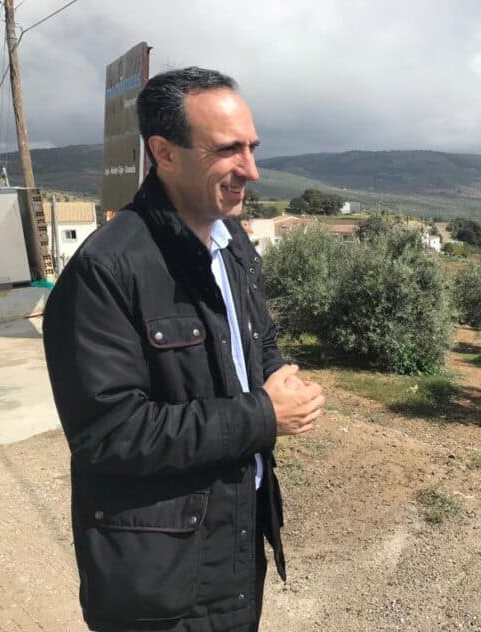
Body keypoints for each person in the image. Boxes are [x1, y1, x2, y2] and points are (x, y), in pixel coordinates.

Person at [43, 67, 325, 632]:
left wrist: (276, 375)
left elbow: (257, 335)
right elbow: (109, 433)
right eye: (227, 150)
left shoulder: (233, 242)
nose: (252, 169)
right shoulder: (106, 270)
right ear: (163, 153)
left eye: (252, 147)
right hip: (158, 581)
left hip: (236, 543)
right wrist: (264, 414)